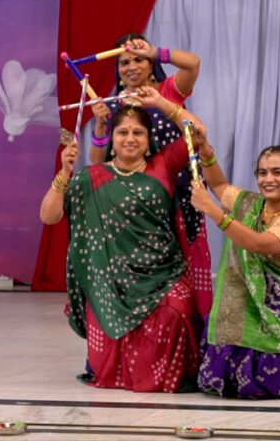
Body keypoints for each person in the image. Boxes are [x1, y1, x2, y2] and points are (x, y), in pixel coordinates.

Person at [39, 87, 209, 392]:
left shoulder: (163, 165)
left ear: (148, 141)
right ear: (112, 140)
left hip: (163, 274)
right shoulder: (91, 177)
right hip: (110, 281)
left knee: (179, 311)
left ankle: (162, 379)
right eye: (123, 132)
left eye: (138, 133)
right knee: (108, 317)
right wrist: (64, 173)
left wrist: (159, 102)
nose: (130, 138)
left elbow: (198, 133)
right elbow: (49, 216)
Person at [189, 143, 280, 398]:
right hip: (246, 311)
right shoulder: (252, 205)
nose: (268, 179)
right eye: (262, 172)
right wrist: (206, 151)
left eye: (277, 172)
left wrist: (212, 211)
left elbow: (259, 244)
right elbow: (220, 186)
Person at [87, 33, 212, 314]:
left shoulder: (169, 91)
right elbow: (97, 162)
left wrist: (156, 51)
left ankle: (187, 343)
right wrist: (98, 126)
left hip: (179, 200)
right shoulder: (114, 105)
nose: (131, 67)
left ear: (151, 63)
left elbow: (193, 64)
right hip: (135, 206)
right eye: (124, 62)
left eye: (139, 59)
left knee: (182, 283)